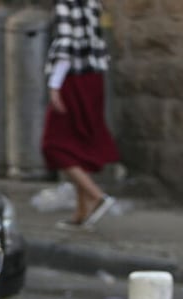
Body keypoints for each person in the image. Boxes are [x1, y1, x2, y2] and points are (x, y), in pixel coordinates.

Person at [41, 0, 121, 231]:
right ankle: (81, 211)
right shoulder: (92, 3)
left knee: (54, 144)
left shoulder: (65, 4)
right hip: (93, 78)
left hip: (73, 79)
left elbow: (67, 44)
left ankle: (97, 197)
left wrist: (54, 85)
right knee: (78, 141)